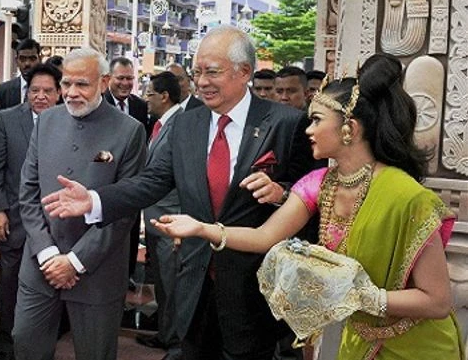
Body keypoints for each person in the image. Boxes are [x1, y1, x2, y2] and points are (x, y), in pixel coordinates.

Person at [150, 54, 462, 360]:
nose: (308, 130)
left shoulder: (407, 197)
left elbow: (437, 301)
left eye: (316, 120)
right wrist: (203, 229)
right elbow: (264, 237)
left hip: (418, 347)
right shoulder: (320, 184)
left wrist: (359, 295)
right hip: (358, 341)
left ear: (350, 129)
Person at [42, 26, 314, 360]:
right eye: (197, 72)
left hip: (256, 284)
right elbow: (152, 181)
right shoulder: (187, 124)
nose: (202, 82)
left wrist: (281, 193)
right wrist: (96, 200)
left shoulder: (287, 124)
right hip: (195, 280)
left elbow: (310, 197)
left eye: (212, 72)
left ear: (244, 72)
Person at [13, 48, 147, 360]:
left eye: (82, 84)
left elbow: (124, 208)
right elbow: (28, 192)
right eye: (66, 84)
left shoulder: (129, 131)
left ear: (104, 82)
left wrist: (74, 262)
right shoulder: (46, 121)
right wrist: (48, 254)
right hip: (40, 264)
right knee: (25, 343)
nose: (71, 92)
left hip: (98, 270)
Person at [0, 63, 62, 360]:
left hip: (56, 223)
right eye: (35, 90)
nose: (40, 96)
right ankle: (7, 346)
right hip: (14, 222)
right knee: (9, 287)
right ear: (26, 92)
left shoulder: (68, 121)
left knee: (49, 288)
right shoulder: (7, 119)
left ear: (58, 93)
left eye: (47, 91)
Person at [136, 72, 188, 360]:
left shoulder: (180, 125)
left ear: (165, 96)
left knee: (174, 286)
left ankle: (178, 343)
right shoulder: (160, 125)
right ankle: (166, 334)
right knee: (164, 285)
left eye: (150, 94)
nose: (146, 99)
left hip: (171, 221)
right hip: (156, 220)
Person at [103, 56, 149, 288]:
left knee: (130, 226)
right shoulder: (99, 103)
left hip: (132, 177)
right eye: (120, 78)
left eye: (129, 79)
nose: (125, 83)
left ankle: (127, 274)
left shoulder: (140, 106)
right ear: (109, 78)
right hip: (105, 177)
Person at [0, 38, 41, 109]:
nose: (27, 63)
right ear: (16, 60)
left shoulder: (50, 89)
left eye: (32, 59)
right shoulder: (4, 90)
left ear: (40, 59)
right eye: (22, 59)